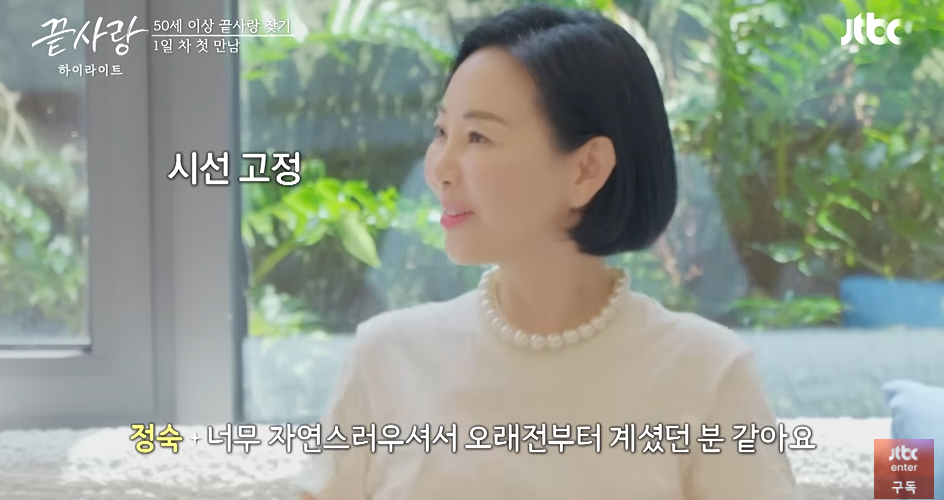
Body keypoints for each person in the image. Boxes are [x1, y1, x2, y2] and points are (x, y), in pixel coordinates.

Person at [297, 4, 796, 499]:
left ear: (586, 169)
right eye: (442, 132)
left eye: (478, 136)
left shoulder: (708, 373)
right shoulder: (384, 359)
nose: (440, 169)